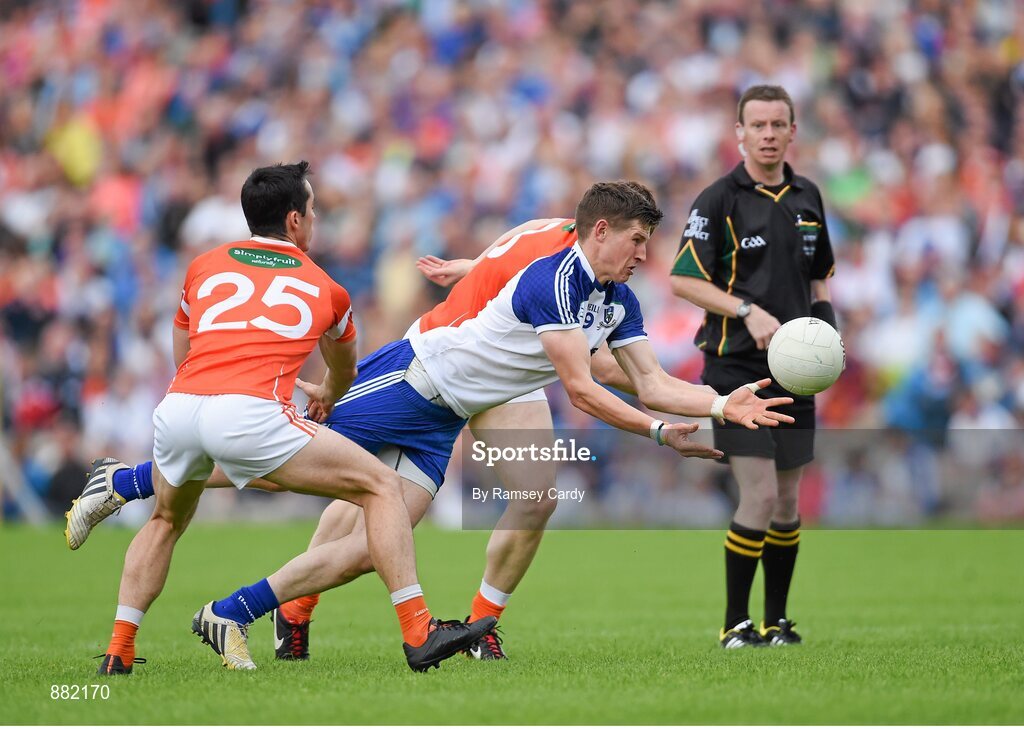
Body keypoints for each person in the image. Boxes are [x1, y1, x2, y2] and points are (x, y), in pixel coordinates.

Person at [71, 181, 794, 663]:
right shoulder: (556, 273)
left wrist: (723, 402)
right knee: (274, 465)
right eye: (637, 240)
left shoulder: (613, 298)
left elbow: (653, 379)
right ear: (599, 229)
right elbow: (585, 385)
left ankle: (233, 609)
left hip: (445, 412)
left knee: (378, 542)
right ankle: (132, 479)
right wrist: (666, 434)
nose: (646, 256)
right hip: (416, 375)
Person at [76, 161, 493, 675]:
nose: (316, 219)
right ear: (295, 221)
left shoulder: (203, 265)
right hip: (250, 412)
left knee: (166, 519)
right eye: (313, 209)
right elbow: (344, 371)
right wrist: (326, 395)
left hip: (180, 405)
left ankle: (118, 652)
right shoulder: (327, 288)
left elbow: (183, 342)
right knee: (381, 488)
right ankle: (417, 630)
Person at [669, 85, 837, 648]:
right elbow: (683, 279)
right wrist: (748, 311)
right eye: (757, 125)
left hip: (797, 371)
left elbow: (818, 277)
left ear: (793, 131)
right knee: (760, 495)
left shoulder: (808, 196)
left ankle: (777, 621)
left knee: (788, 503)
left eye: (777, 125)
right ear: (738, 133)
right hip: (734, 367)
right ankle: (734, 623)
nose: (767, 134)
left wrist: (826, 330)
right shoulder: (718, 200)